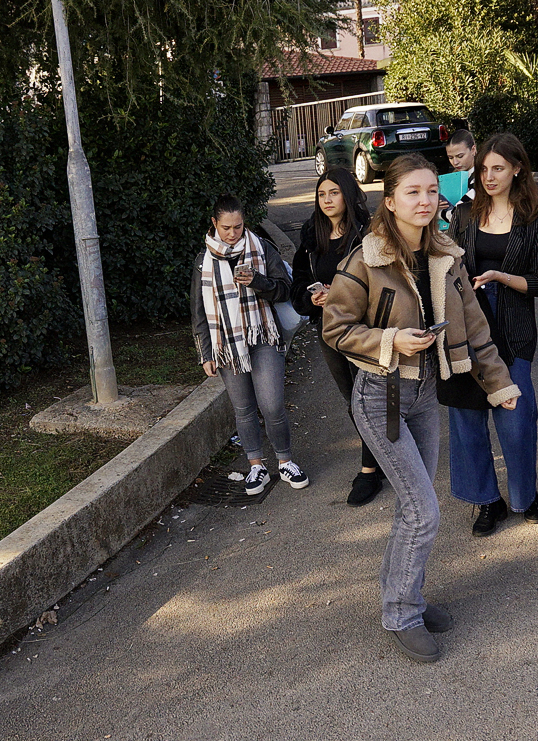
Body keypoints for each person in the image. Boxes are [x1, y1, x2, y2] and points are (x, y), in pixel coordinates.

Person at [324, 153, 520, 664]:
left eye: (432, 191)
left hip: (425, 396)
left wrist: (498, 384)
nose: (425, 200)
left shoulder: (447, 254)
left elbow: (475, 328)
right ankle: (401, 613)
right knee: (423, 511)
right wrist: (392, 339)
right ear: (389, 201)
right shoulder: (364, 259)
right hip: (379, 397)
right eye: (412, 192)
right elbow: (335, 329)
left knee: (413, 508)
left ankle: (403, 593)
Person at [444, 133, 538, 536]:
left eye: (498, 169)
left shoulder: (536, 217)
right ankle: (488, 501)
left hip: (514, 330)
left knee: (517, 419)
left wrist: (502, 277)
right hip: (466, 331)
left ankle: (526, 495)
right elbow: (446, 265)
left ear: (517, 169)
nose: (489, 176)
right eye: (484, 168)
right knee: (467, 419)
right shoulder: (465, 214)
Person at [192, 194, 308, 496]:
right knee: (243, 409)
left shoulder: (262, 248)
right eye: (226, 227)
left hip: (263, 336)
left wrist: (258, 281)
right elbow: (198, 311)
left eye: (238, 227)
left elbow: (285, 290)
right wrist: (205, 352)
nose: (233, 234)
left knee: (272, 405)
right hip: (228, 344)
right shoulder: (203, 261)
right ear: (215, 224)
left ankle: (285, 461)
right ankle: (256, 466)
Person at [292, 169, 384, 505]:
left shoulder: (368, 231)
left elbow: (383, 277)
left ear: (347, 194)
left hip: (365, 326)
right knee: (351, 397)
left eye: (334, 193)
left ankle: (371, 469)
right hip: (328, 328)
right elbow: (298, 282)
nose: (327, 200)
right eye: (322, 194)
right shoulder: (310, 236)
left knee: (371, 392)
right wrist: (311, 296)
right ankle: (379, 457)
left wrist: (344, 293)